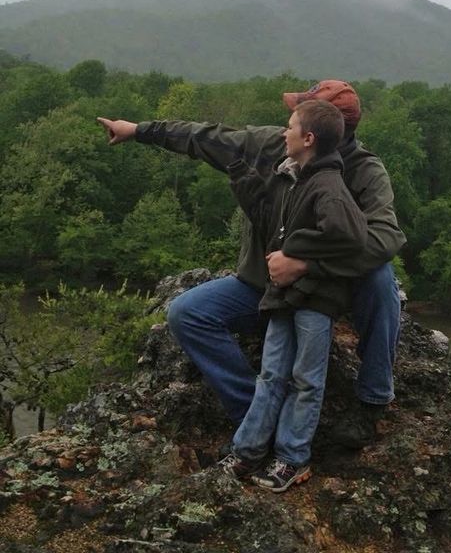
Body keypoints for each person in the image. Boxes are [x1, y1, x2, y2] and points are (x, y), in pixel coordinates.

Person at [97, 79, 406, 448]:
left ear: (317, 132)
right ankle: (253, 412)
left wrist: (307, 264)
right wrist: (138, 131)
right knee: (187, 314)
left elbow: (385, 236)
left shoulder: (364, 171)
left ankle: (371, 401)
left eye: (299, 114)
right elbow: (206, 137)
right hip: (265, 287)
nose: (288, 119)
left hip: (328, 292)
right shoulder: (273, 145)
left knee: (381, 279)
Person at [221, 99, 367, 491]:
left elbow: (352, 239)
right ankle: (248, 451)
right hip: (284, 297)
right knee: (271, 374)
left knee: (306, 380)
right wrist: (240, 175)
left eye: (289, 126)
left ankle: (292, 459)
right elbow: (273, 221)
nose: (283, 132)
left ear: (308, 138)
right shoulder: (297, 177)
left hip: (316, 301)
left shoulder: (329, 186)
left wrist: (303, 259)